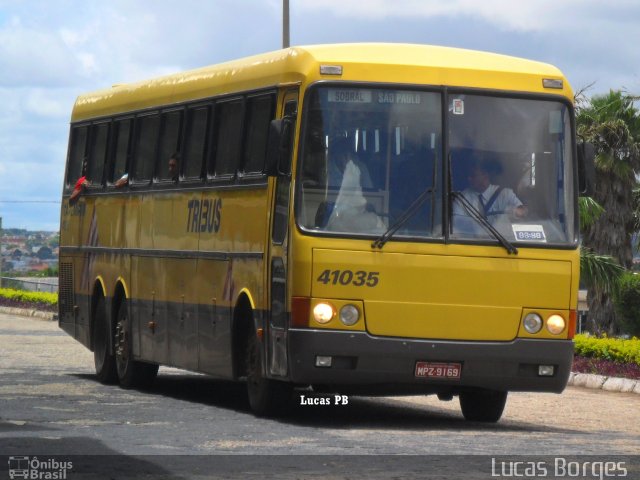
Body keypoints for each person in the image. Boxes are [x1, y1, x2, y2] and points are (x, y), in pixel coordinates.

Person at [453, 160, 527, 231]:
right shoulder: (462, 197)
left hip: (502, 240)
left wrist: (517, 212)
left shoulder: (505, 194)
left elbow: (522, 210)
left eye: (473, 176)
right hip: (472, 240)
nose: (469, 179)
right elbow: (456, 222)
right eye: (468, 176)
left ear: (485, 176)